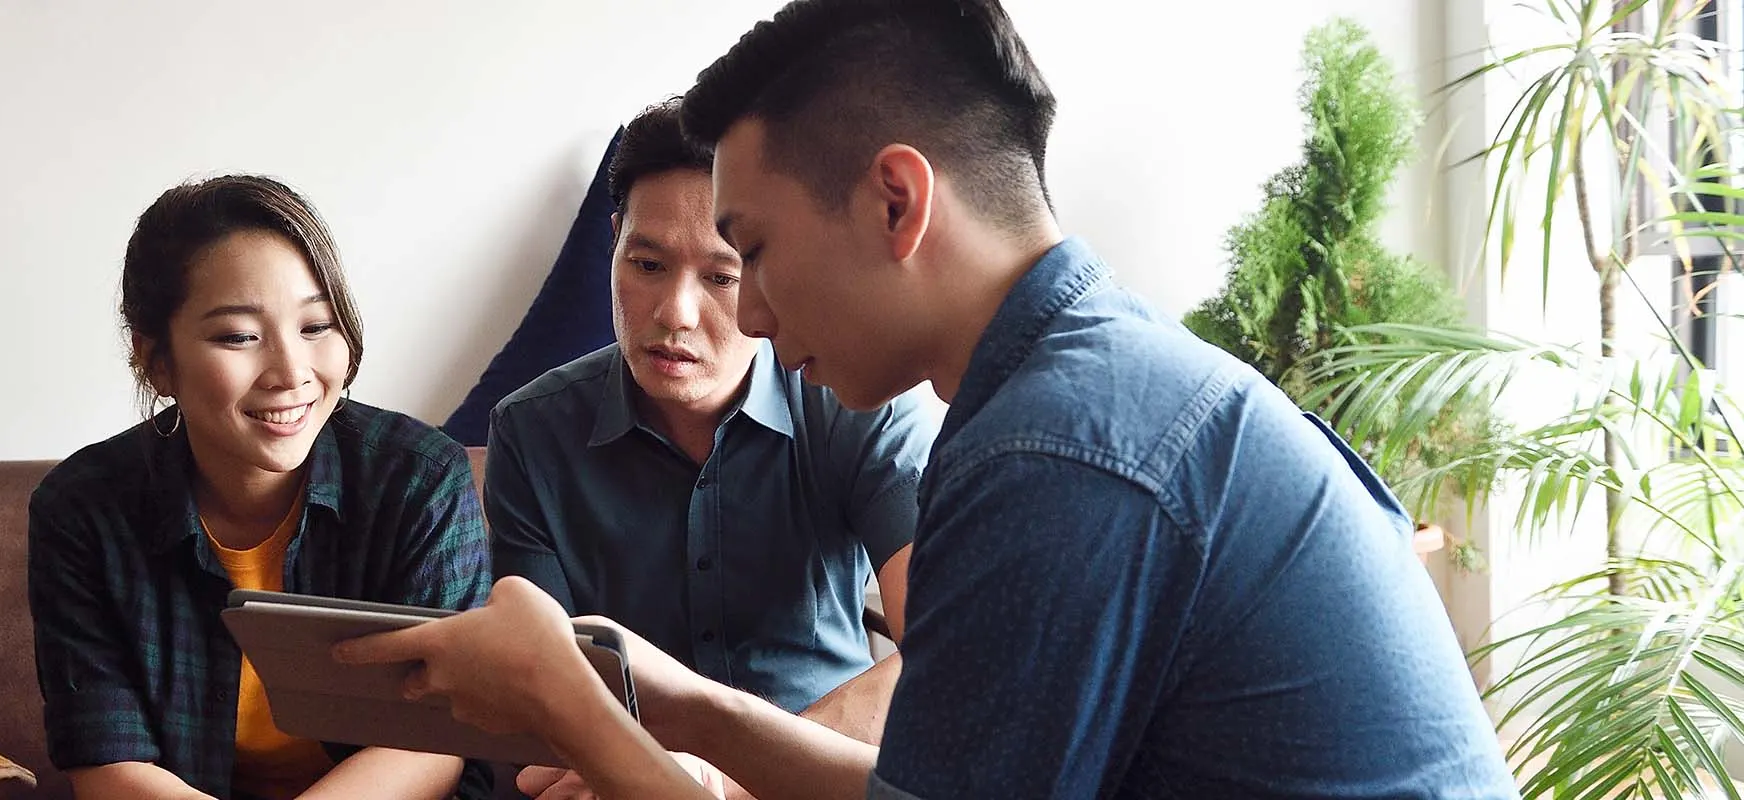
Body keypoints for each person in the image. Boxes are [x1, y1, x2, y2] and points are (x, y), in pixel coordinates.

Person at [335, 1, 1518, 797]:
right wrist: (686, 705)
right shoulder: (1086, 381)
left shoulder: (1059, 454)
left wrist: (567, 703)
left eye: (751, 251)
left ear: (898, 204)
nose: (744, 318)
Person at [485, 99, 939, 798]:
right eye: (646, 263)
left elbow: (946, 647)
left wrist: (735, 772)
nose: (675, 313)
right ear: (613, 244)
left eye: (722, 277)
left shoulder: (857, 401)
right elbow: (541, 691)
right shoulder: (530, 430)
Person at [27, 175, 493, 800]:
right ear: (156, 359)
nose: (291, 372)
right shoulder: (82, 510)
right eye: (239, 336)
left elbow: (433, 742)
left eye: (317, 327)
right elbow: (110, 765)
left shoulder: (421, 479)